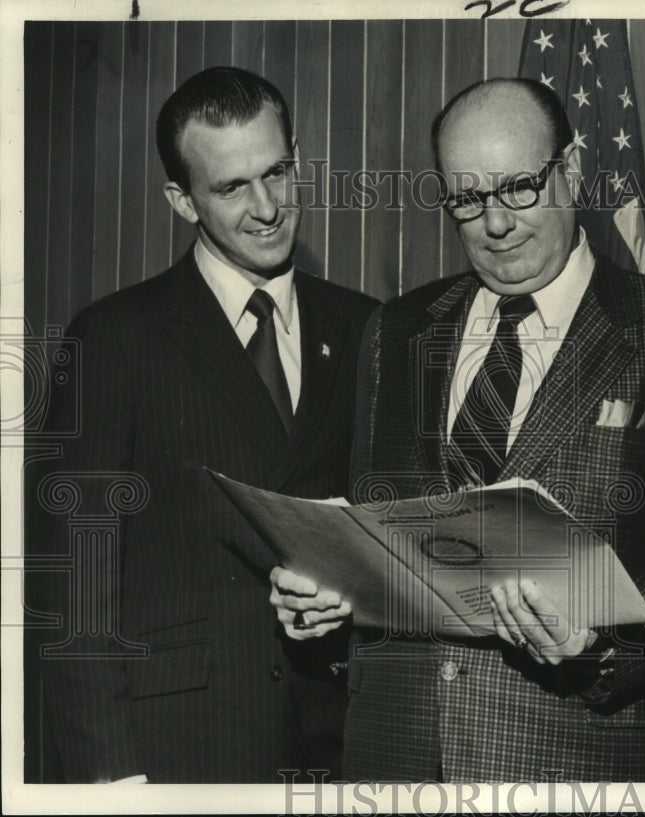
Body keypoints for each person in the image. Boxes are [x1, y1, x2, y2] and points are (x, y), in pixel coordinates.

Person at [270, 77, 645, 782]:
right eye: (468, 199)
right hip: (396, 763)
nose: (497, 222)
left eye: (519, 187)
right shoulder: (396, 330)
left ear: (570, 170)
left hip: (569, 761)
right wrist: (326, 595)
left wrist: (598, 645)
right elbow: (371, 535)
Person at [25, 66, 378, 782]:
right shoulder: (115, 336)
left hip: (334, 746)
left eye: (278, 172)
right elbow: (74, 589)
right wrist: (109, 781)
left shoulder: (366, 324)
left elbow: (381, 531)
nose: (268, 207)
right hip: (173, 752)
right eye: (230, 187)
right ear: (181, 201)